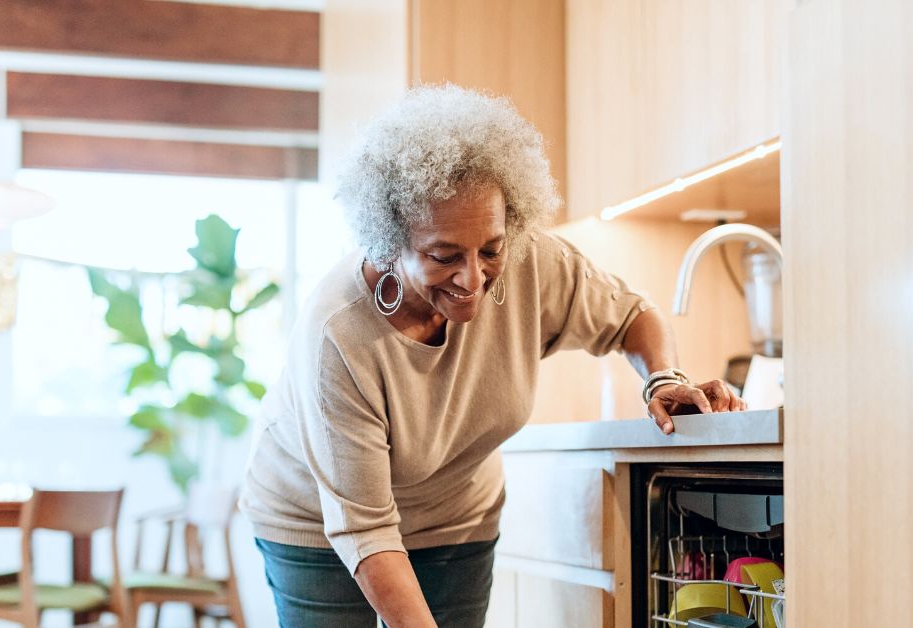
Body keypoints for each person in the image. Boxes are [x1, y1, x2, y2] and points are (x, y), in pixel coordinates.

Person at [240, 84, 745, 628]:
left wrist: (662, 381)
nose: (473, 278)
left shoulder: (533, 262)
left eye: (491, 249)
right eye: (443, 255)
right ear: (389, 242)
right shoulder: (338, 337)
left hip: (456, 517)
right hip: (317, 519)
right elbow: (366, 530)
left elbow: (632, 316)